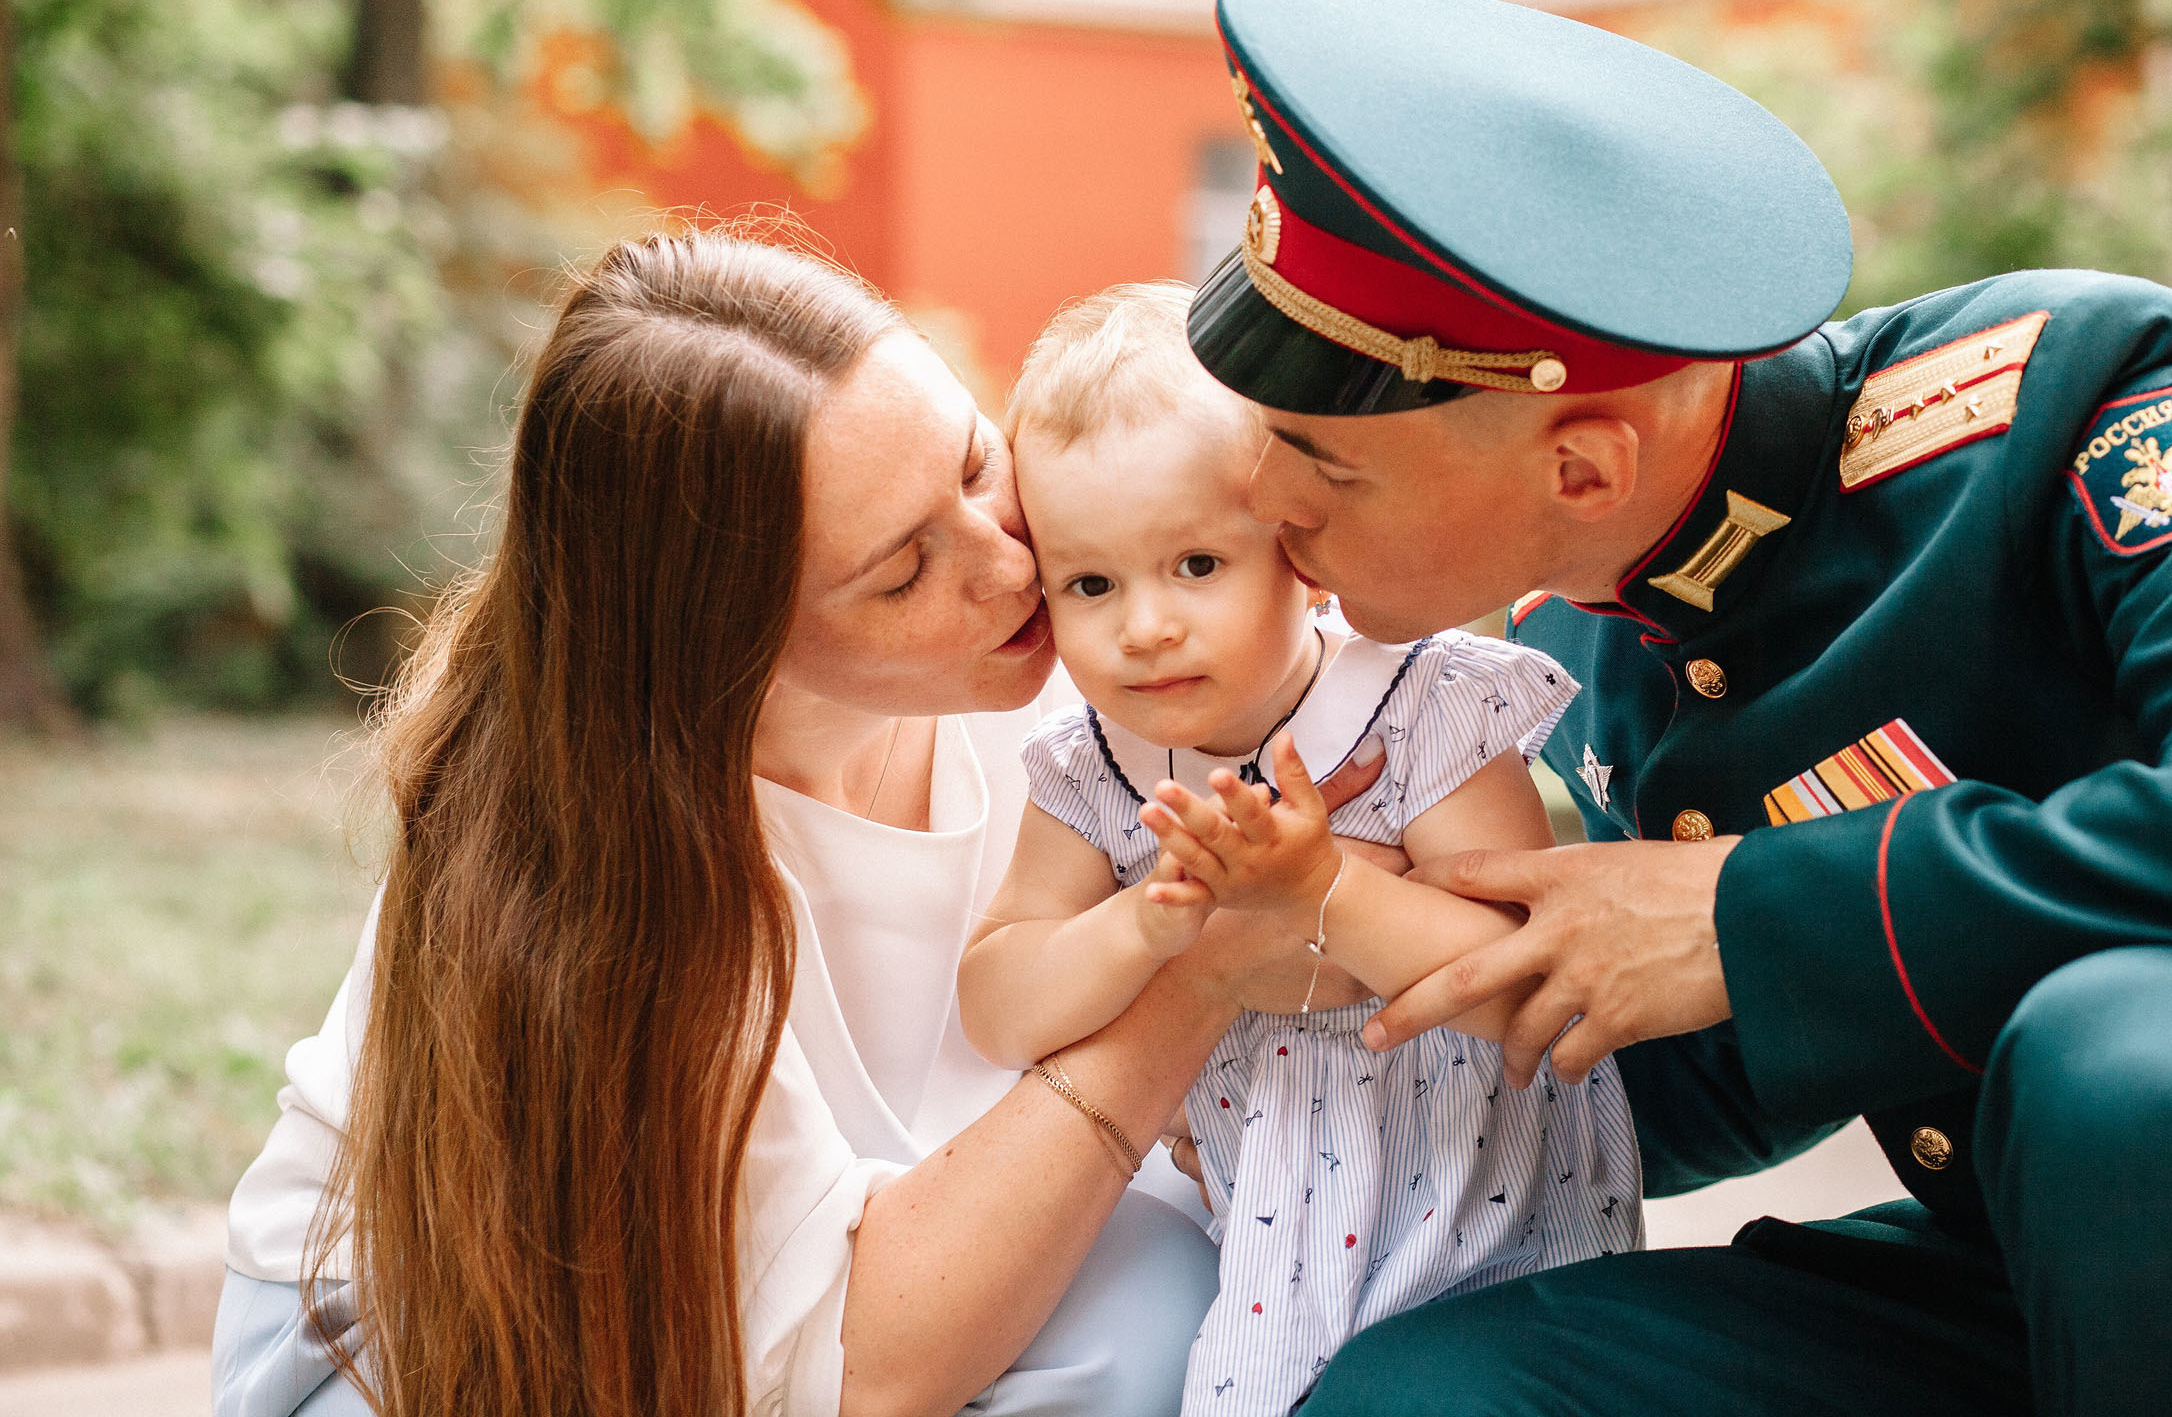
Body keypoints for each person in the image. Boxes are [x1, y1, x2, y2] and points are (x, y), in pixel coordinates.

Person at [1182, 0, 2172, 1415]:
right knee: (1432, 1399)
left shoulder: (2073, 398)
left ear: (1585, 468)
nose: (1261, 501)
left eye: (1324, 465)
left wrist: (1741, 914)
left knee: (2136, 1062)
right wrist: (1334, 990)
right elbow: (1720, 1074)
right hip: (2018, 1274)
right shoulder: (1578, 648)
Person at [209, 232, 1346, 1417]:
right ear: (733, 647)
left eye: (972, 462)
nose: (1013, 565)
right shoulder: (602, 870)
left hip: (905, 1234)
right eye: (902, 572)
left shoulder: (1108, 644)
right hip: (465, 1349)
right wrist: (1202, 976)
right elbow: (865, 1365)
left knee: (1165, 1293)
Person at [954, 284, 1641, 1417]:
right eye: (1091, 583)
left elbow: (1528, 985)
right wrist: (1146, 925)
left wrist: (1320, 891)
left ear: (1298, 552)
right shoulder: (1095, 768)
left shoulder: (1420, 709)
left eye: (1196, 564)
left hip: (1481, 1210)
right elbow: (998, 1008)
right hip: (1265, 1233)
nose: (1145, 627)